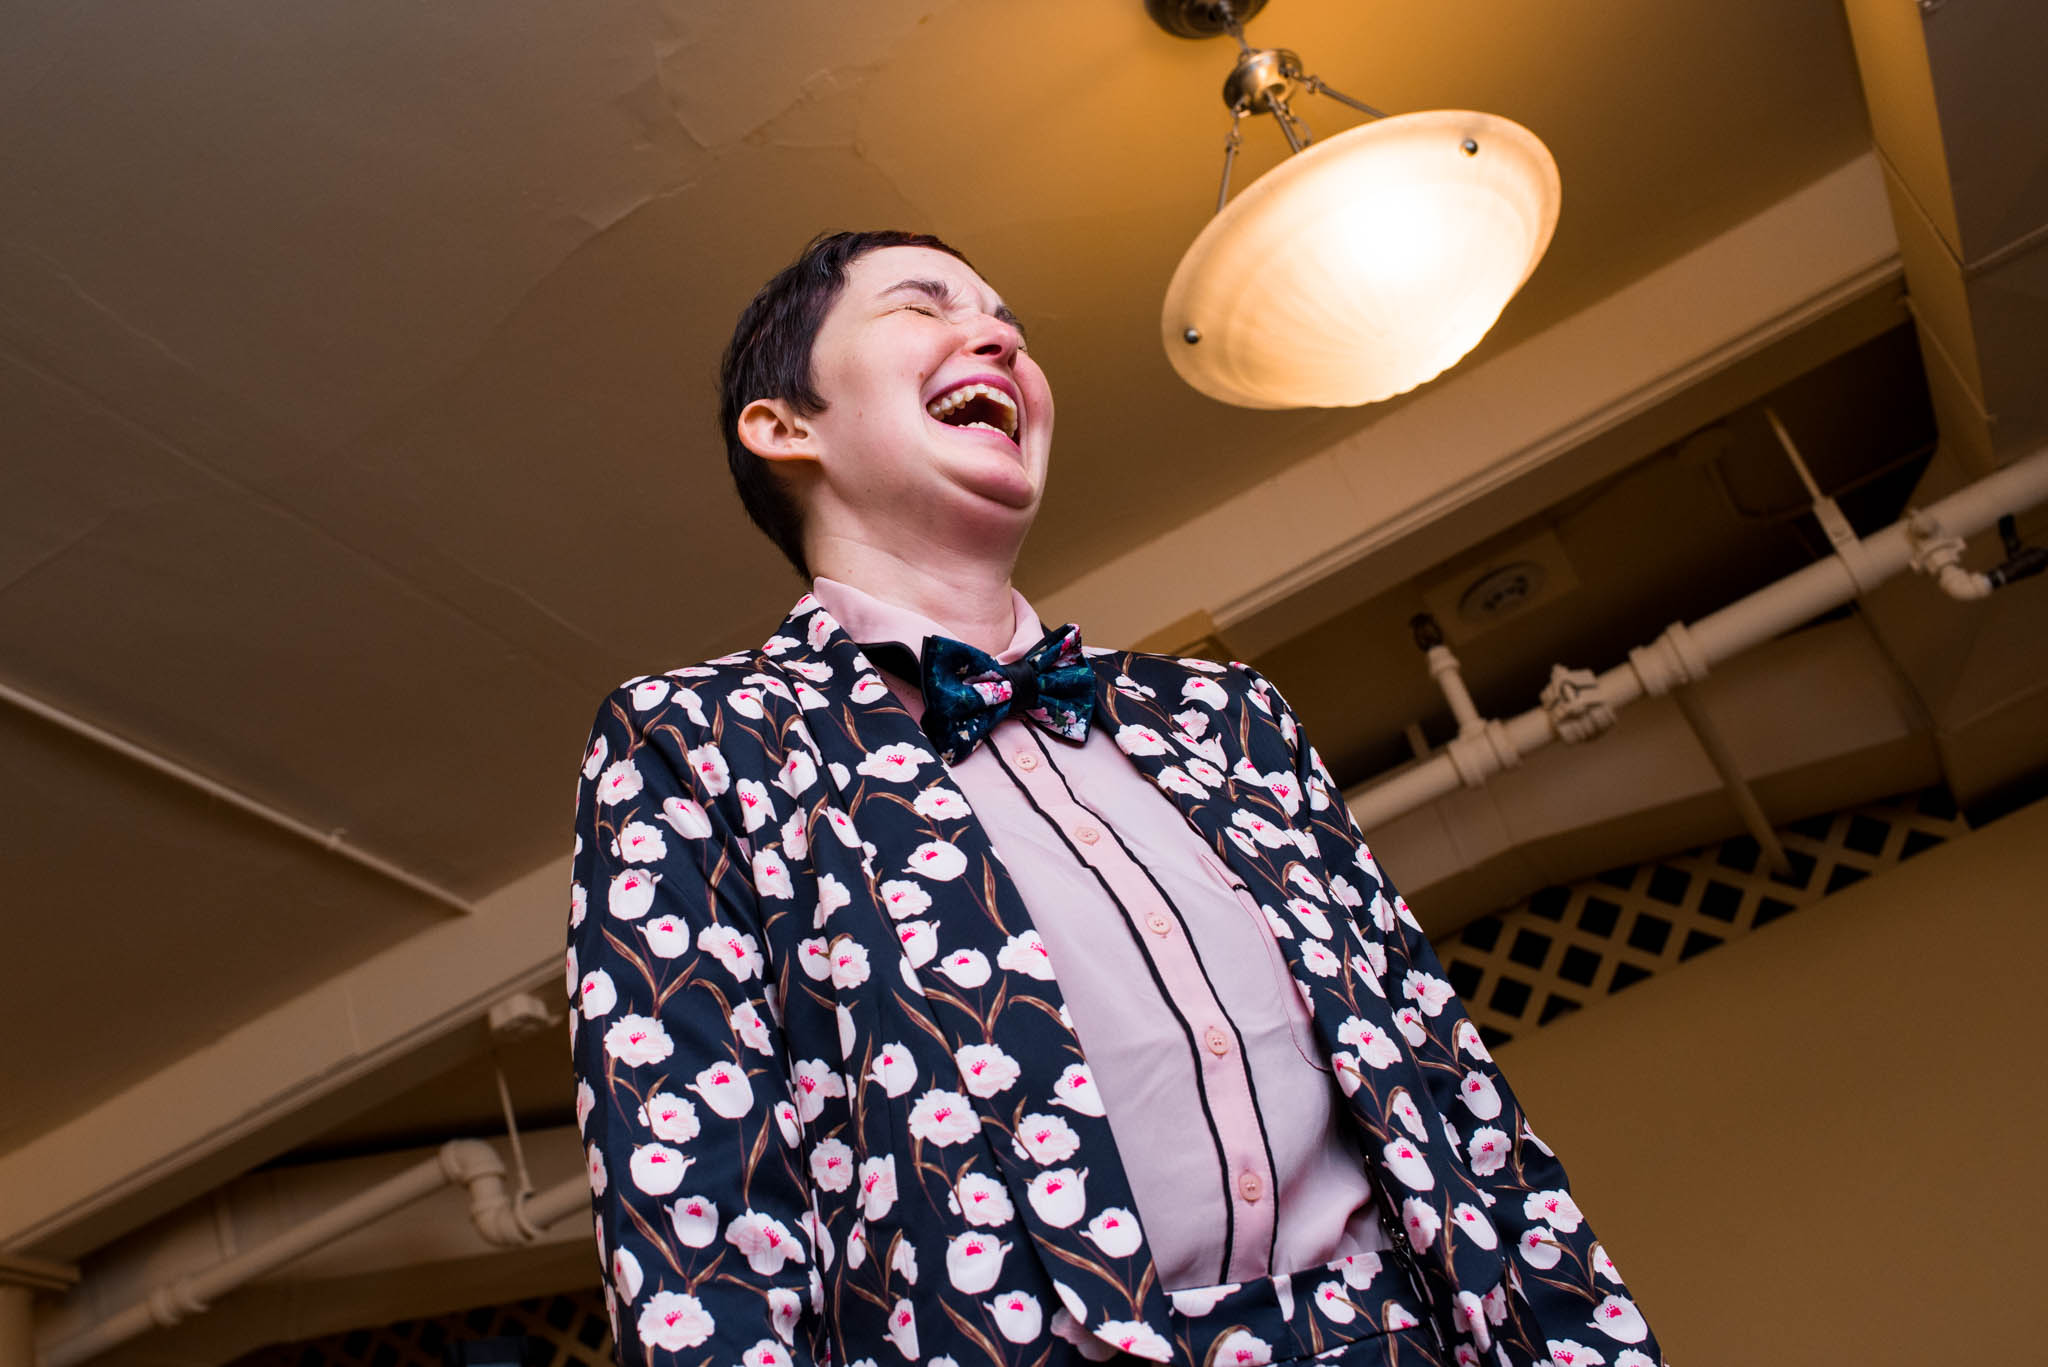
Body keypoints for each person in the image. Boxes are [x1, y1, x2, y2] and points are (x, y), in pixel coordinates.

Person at [566, 230, 1663, 1367]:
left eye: (1010, 326)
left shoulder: (1228, 716)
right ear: (785, 425)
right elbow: (693, 1219)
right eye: (923, 306)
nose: (997, 338)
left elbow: (1451, 1090)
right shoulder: (694, 741)